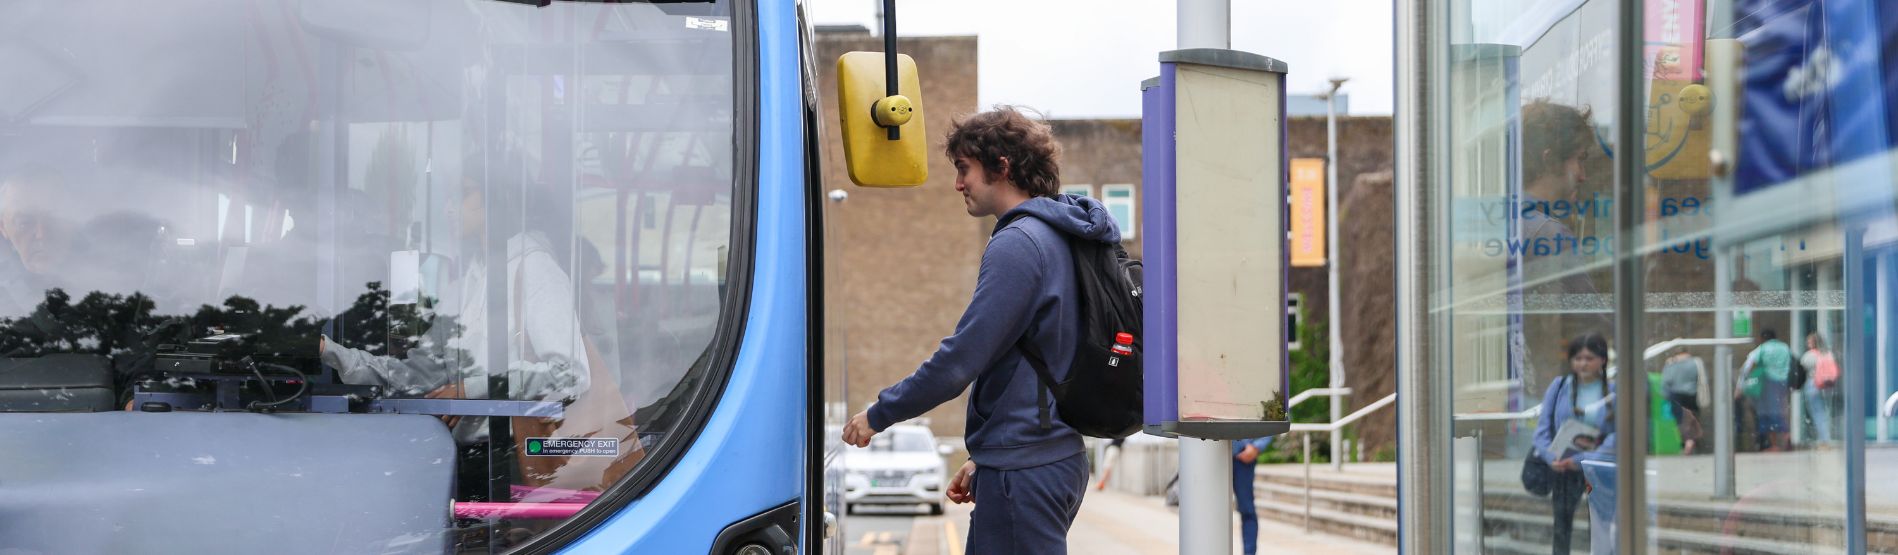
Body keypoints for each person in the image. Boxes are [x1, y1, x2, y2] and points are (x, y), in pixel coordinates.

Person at [839, 106, 1118, 554]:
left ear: (1001, 167)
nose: (958, 184)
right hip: (1046, 458)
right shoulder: (1062, 236)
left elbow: (961, 360)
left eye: (964, 169)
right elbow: (1038, 359)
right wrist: (987, 458)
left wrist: (878, 414)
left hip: (1026, 470)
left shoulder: (1020, 244)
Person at [1532, 332, 1616, 555]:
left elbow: (1617, 435)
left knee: (1600, 527)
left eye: (1589, 358)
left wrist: (1581, 460)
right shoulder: (1560, 386)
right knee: (1562, 526)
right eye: (1578, 358)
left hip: (1598, 468)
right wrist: (1552, 458)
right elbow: (1542, 430)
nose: (1583, 363)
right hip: (1562, 468)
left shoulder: (1614, 391)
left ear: (1603, 359)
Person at [1737, 328, 1793, 452]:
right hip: (1783, 383)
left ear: (1763, 338)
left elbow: (1747, 366)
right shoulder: (1784, 347)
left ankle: (1774, 445)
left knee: (1767, 413)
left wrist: (1741, 386)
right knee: (1781, 410)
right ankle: (1786, 435)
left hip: (1768, 383)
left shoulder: (1762, 349)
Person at [1231, 435, 1274, 555]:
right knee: (1210, 511)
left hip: (1243, 456)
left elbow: (1276, 416)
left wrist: (1258, 446)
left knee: (1247, 510)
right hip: (1212, 455)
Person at [1800, 332, 1839, 445]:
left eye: (1809, 342)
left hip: (1813, 384)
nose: (1807, 344)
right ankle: (1826, 437)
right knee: (1825, 412)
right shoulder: (1827, 354)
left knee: (1817, 412)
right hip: (1827, 385)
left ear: (1813, 343)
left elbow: (1802, 368)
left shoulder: (1809, 356)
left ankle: (1824, 439)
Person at [1660, 348, 1709, 435]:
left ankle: (1682, 441)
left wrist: (1664, 395)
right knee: (1692, 419)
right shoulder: (1695, 362)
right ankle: (1691, 441)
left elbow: (1667, 381)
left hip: (1676, 397)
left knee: (1678, 421)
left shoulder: (1671, 364)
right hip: (1692, 396)